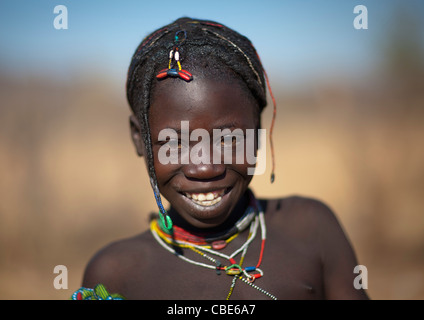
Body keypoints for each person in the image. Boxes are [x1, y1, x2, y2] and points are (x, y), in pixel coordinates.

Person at [71, 17, 369, 300]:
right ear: (140, 138)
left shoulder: (311, 229)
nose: (205, 167)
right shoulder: (117, 274)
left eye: (228, 139)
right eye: (175, 142)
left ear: (257, 134)